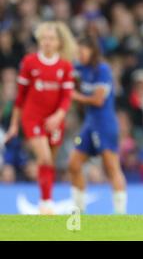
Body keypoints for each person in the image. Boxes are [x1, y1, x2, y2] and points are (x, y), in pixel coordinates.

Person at [4, 21, 76, 214]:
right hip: (33, 117)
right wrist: (13, 124)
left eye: (51, 39)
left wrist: (58, 117)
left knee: (49, 162)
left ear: (59, 43)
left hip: (55, 120)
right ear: (39, 40)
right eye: (44, 38)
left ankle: (45, 200)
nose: (47, 42)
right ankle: (46, 202)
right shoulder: (29, 62)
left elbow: (66, 97)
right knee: (44, 158)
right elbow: (20, 97)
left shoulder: (65, 66)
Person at [68, 36, 127, 214]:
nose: (79, 55)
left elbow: (98, 100)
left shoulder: (102, 70)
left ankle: (120, 213)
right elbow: (67, 73)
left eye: (81, 51)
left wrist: (75, 96)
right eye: (77, 52)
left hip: (105, 124)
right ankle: (79, 210)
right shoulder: (80, 68)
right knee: (74, 164)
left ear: (92, 51)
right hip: (90, 124)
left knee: (111, 167)